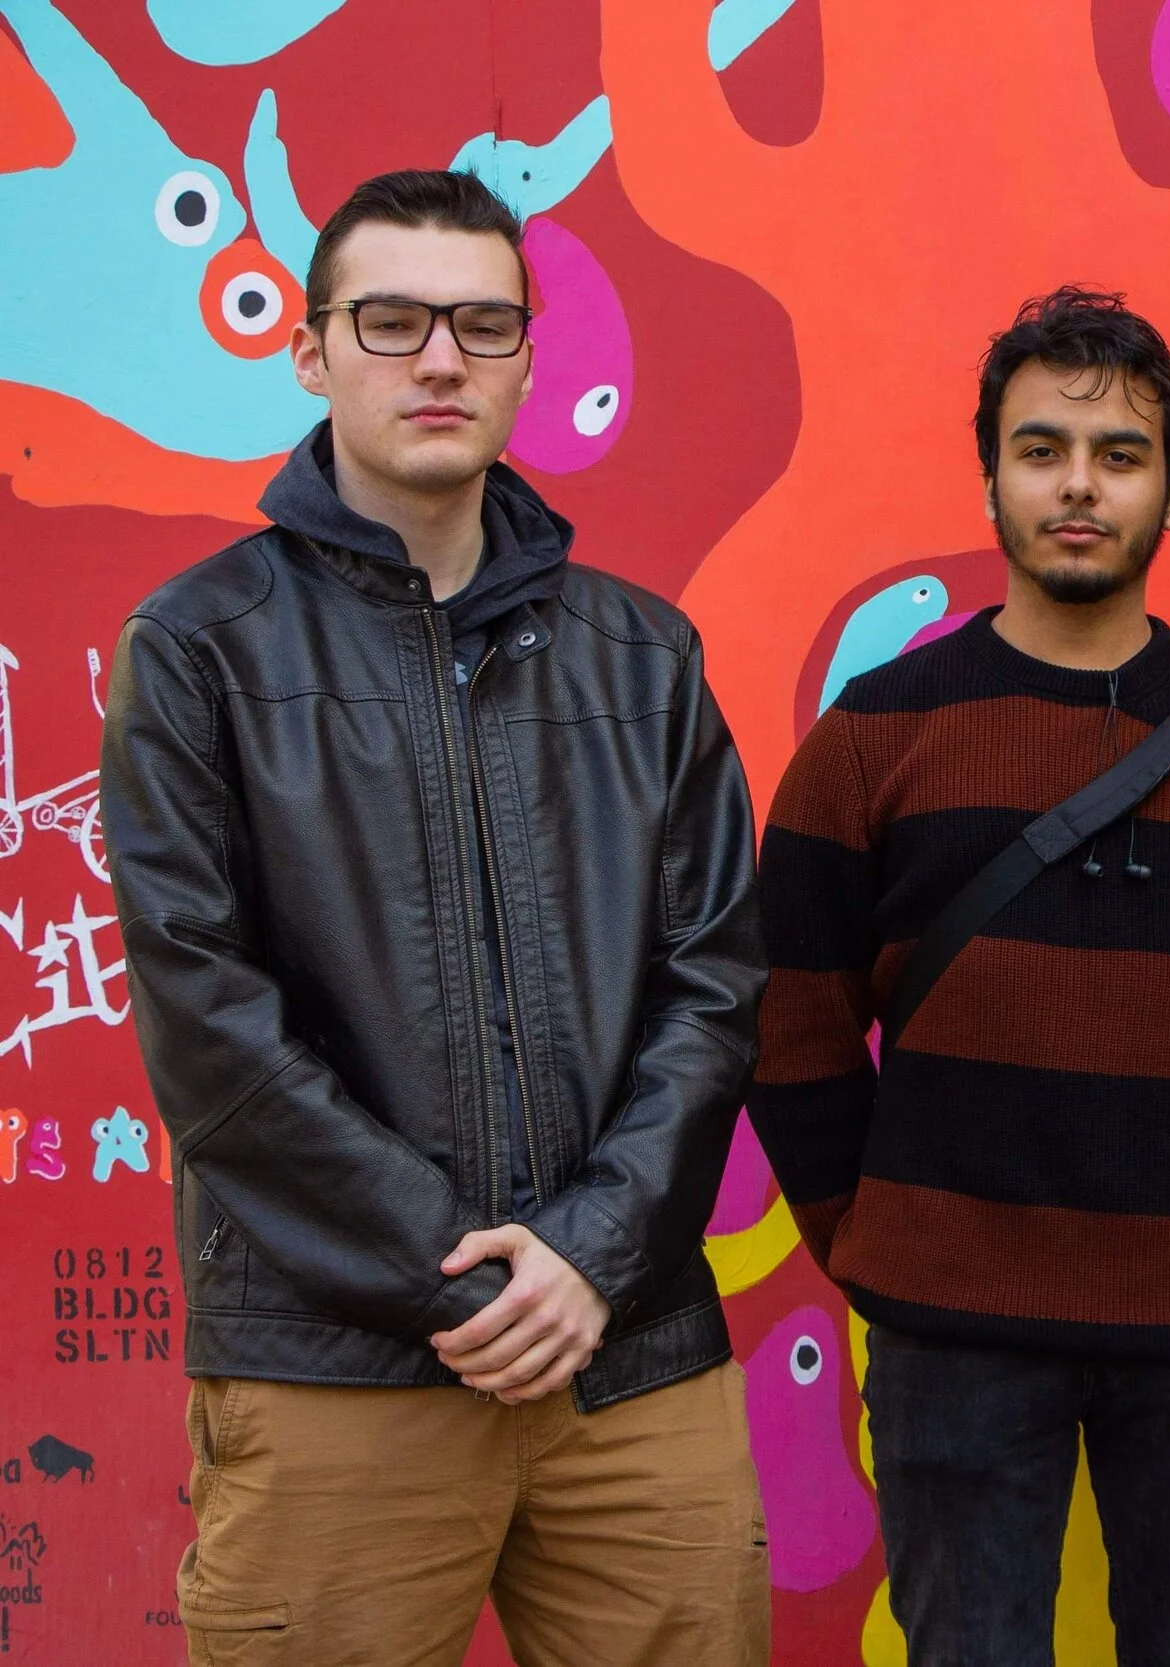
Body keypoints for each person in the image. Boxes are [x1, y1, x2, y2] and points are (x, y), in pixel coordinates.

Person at [102, 169, 769, 1665]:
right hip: (341, 1364)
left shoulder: (645, 657)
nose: (441, 359)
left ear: (532, 357)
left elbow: (716, 983)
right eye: (392, 319)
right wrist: (469, 1275)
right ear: (312, 348)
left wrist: (591, 1256)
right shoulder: (198, 650)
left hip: (630, 1364)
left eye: (482, 323)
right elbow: (212, 1032)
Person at [748, 285, 1170, 1664]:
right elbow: (793, 1020)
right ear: (992, 476)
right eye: (1042, 450)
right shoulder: (875, 735)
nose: (1078, 485)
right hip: (952, 1329)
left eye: (1120, 455)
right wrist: (882, 1236)